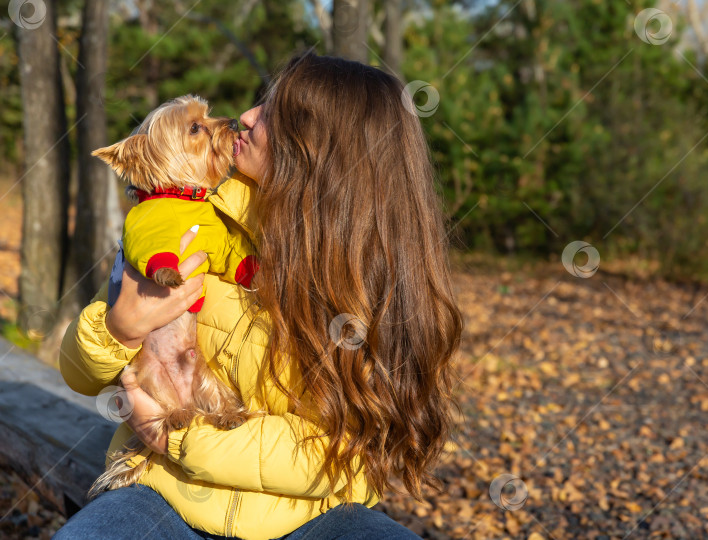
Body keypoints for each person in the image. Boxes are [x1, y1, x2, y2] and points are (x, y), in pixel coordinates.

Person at [55, 52, 463, 540]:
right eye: (260, 102)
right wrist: (118, 329)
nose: (246, 116)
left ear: (324, 151)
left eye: (275, 113)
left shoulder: (375, 285)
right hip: (161, 493)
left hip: (315, 516)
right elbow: (79, 374)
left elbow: (341, 453)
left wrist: (177, 439)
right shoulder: (191, 219)